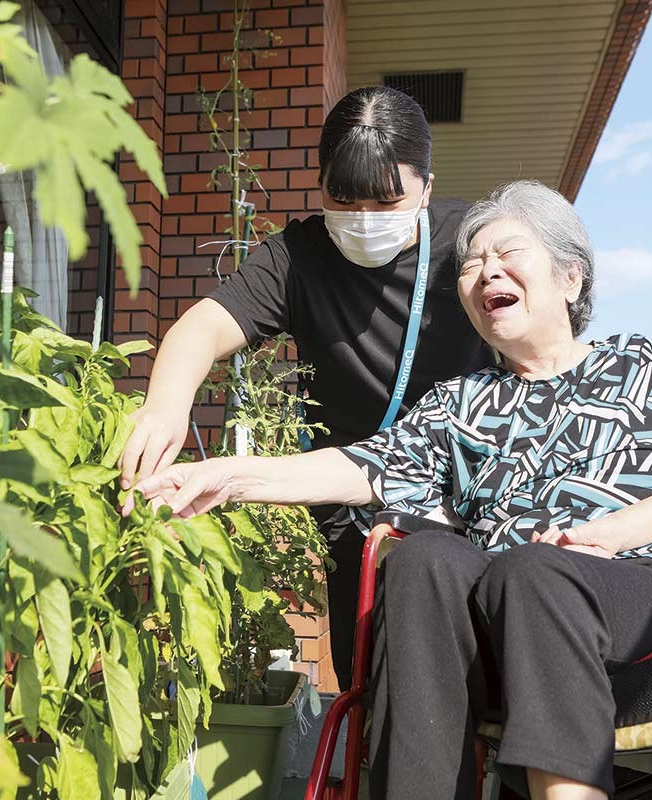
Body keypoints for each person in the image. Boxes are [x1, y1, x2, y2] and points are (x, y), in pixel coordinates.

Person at [126, 180, 652, 800]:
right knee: (424, 560)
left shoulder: (640, 364)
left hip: (648, 614)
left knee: (537, 571)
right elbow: (362, 466)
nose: (485, 272)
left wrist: (618, 532)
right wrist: (225, 477)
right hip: (511, 625)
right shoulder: (462, 403)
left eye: (508, 254)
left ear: (571, 278)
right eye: (472, 264)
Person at [119, 86, 493, 690]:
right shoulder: (299, 255)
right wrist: (164, 408)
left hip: (463, 485)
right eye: (342, 200)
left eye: (387, 200)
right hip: (347, 488)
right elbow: (203, 326)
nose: (365, 220)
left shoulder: (472, 245)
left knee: (467, 655)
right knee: (364, 657)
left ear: (426, 186)